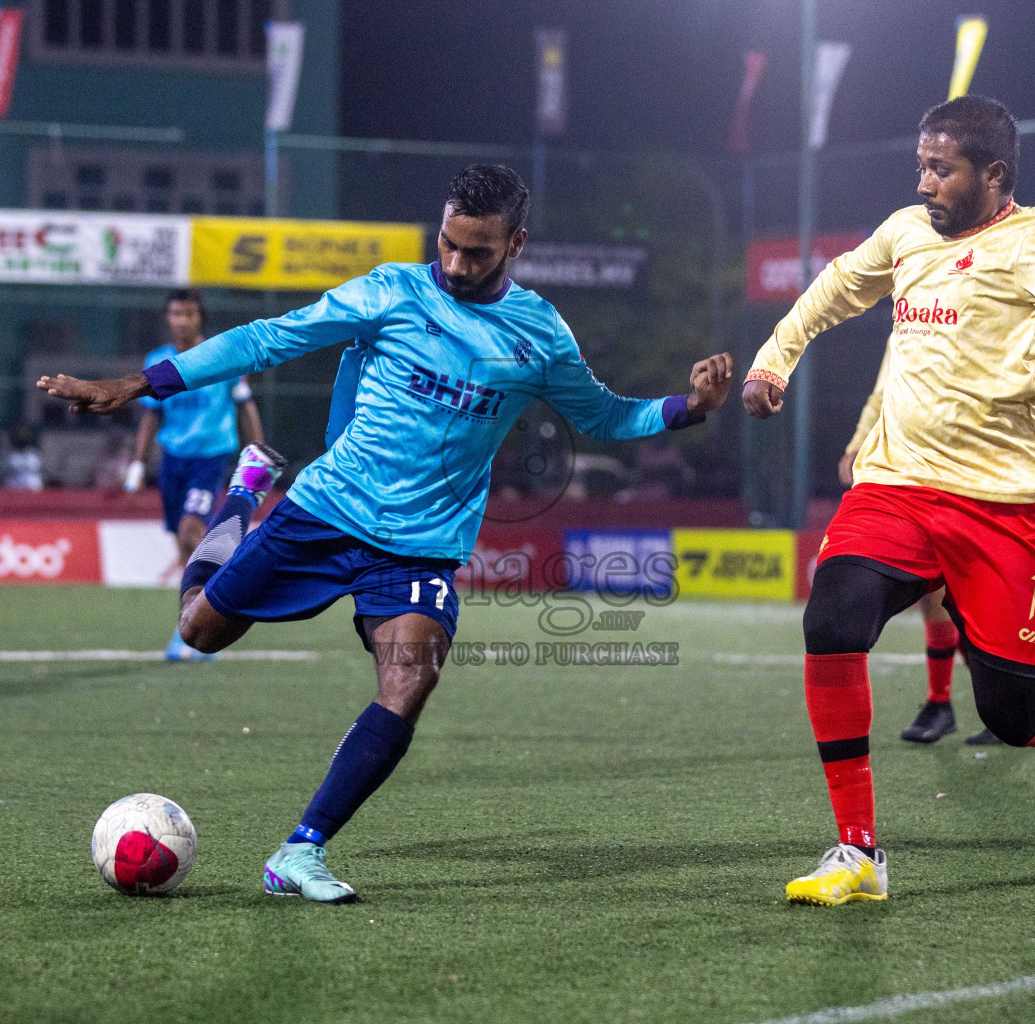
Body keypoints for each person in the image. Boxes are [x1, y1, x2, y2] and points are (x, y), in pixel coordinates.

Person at [39, 164, 733, 904]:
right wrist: (139, 383)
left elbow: (603, 415)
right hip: (327, 511)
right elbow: (269, 339)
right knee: (200, 629)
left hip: (421, 544)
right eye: (449, 244)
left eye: (478, 253)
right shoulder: (392, 292)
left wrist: (686, 408)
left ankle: (300, 851)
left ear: (517, 245)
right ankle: (243, 494)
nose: (457, 265)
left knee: (410, 678)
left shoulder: (541, 336)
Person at [742, 96, 1035, 906]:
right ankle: (860, 853)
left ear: (995, 175)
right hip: (898, 486)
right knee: (831, 621)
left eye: (941, 169)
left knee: (1011, 709)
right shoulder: (905, 232)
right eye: (920, 166)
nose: (924, 183)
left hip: (1006, 507)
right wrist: (774, 360)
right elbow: (835, 289)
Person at [838, 347, 1002, 747]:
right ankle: (946, 703)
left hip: (973, 465)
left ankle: (998, 705)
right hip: (915, 468)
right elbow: (883, 391)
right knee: (939, 593)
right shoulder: (908, 319)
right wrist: (859, 441)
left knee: (964, 598)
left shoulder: (976, 306)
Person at [127, 288, 266, 661]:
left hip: (211, 457)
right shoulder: (158, 360)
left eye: (189, 314)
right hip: (173, 460)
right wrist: (138, 464)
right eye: (176, 314)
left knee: (193, 532)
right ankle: (191, 621)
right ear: (168, 318)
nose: (182, 321)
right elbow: (149, 416)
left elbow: (244, 406)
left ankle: (206, 622)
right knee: (182, 542)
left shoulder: (220, 355)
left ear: (199, 317)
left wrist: (258, 458)